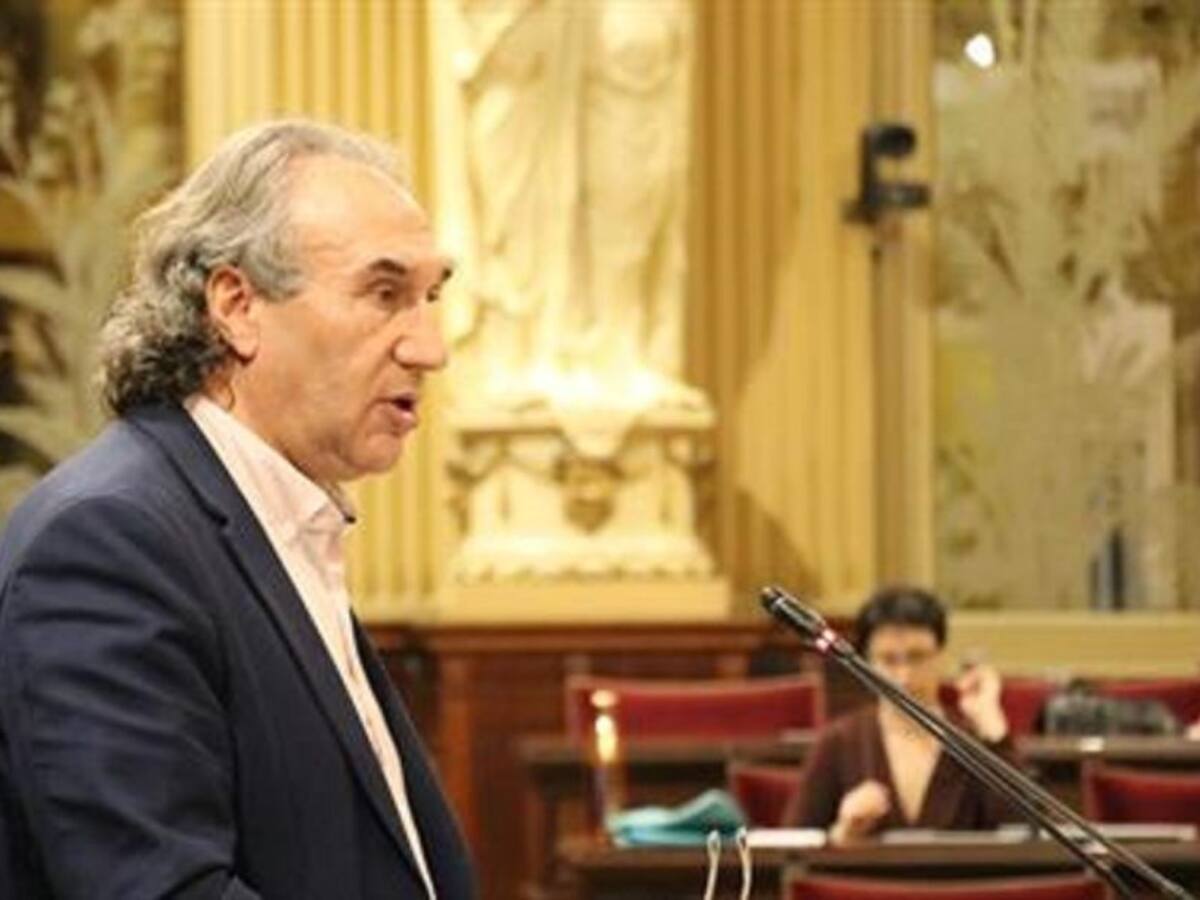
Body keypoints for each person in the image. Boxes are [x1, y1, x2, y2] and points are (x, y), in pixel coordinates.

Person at [0, 121, 476, 899]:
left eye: (430, 297)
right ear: (237, 304)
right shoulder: (107, 541)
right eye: (384, 294)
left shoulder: (275, 516)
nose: (430, 347)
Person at [792, 586, 1017, 843]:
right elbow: (793, 846)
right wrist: (842, 833)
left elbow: (1024, 836)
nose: (904, 677)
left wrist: (994, 729)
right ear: (867, 664)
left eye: (917, 657)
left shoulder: (972, 740)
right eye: (888, 660)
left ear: (941, 656)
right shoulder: (839, 741)